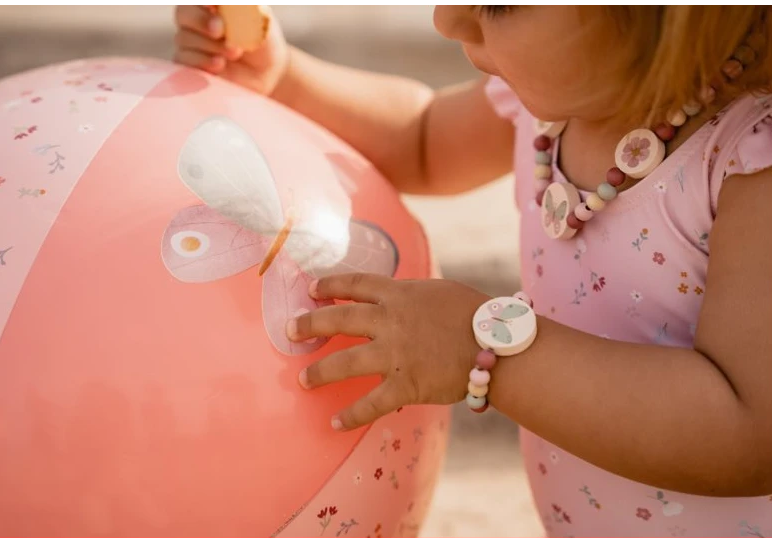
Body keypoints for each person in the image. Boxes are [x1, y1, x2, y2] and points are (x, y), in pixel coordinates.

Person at [173, 4, 773, 537]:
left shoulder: (751, 161)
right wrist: (284, 76)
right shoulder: (552, 106)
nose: (446, 18)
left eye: (499, 4)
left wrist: (482, 348)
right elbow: (422, 137)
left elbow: (750, 431)